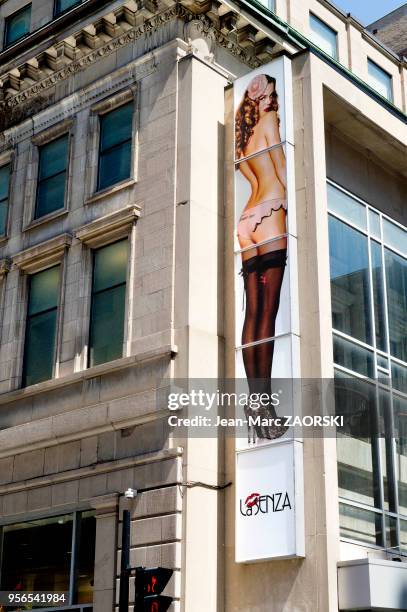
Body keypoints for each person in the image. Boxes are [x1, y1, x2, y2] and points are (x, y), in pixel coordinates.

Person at [235, 73, 288, 442]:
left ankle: (255, 401)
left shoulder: (243, 137)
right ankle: (263, 403)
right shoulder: (270, 123)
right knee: (266, 314)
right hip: (271, 214)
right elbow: (284, 173)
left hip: (247, 219)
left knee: (252, 313)